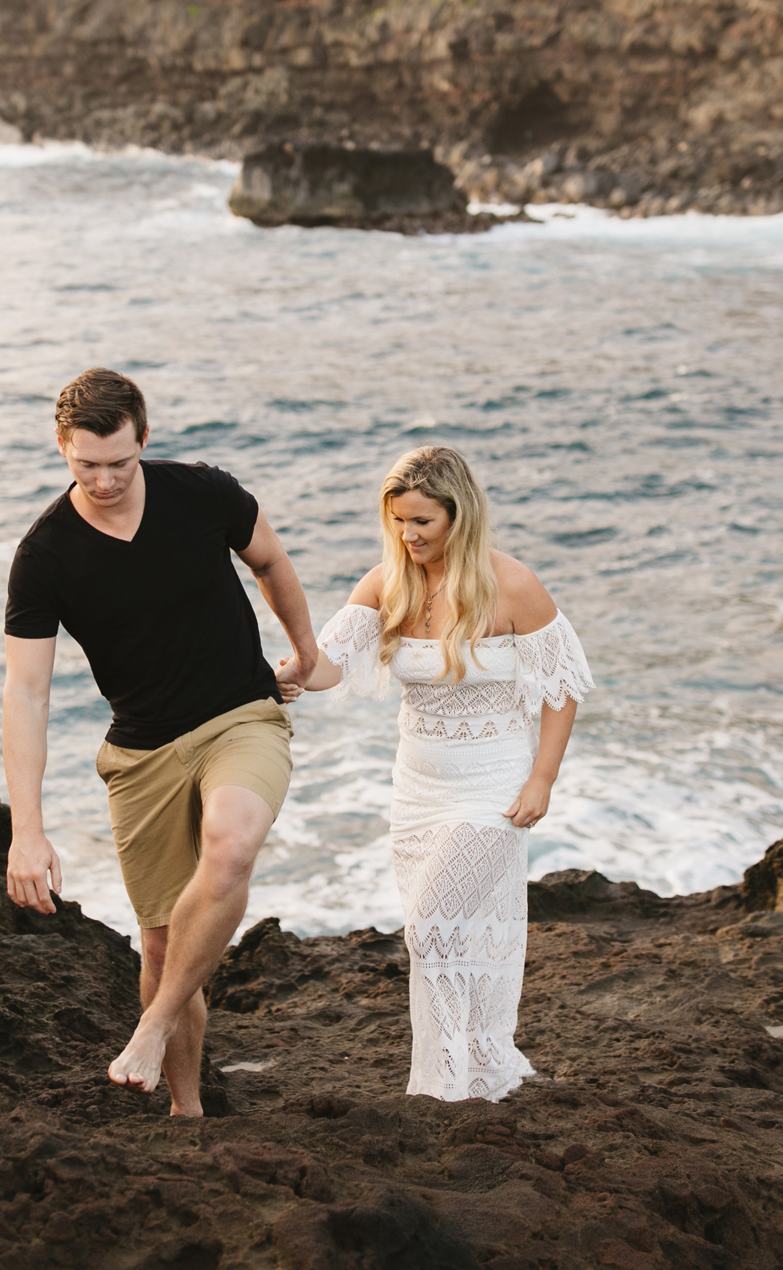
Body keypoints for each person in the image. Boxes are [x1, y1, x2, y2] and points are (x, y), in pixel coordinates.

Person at [0, 367, 324, 1116]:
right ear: (61, 449)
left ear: (144, 439)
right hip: (141, 751)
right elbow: (26, 691)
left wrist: (303, 650)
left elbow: (269, 559)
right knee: (160, 946)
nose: (106, 479)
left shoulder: (202, 493)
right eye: (88, 465)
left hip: (240, 712)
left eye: (120, 460)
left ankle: (150, 1026)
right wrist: (27, 830)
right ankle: (187, 1111)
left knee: (233, 841)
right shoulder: (45, 555)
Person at [296, 445, 593, 1102]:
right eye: (399, 520)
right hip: (418, 790)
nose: (409, 534)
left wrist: (542, 779)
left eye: (423, 521)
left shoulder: (511, 584)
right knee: (448, 934)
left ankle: (443, 1084)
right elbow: (326, 667)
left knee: (433, 925)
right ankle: (476, 1064)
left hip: (494, 784)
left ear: (460, 515)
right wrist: (283, 670)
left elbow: (563, 684)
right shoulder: (386, 583)